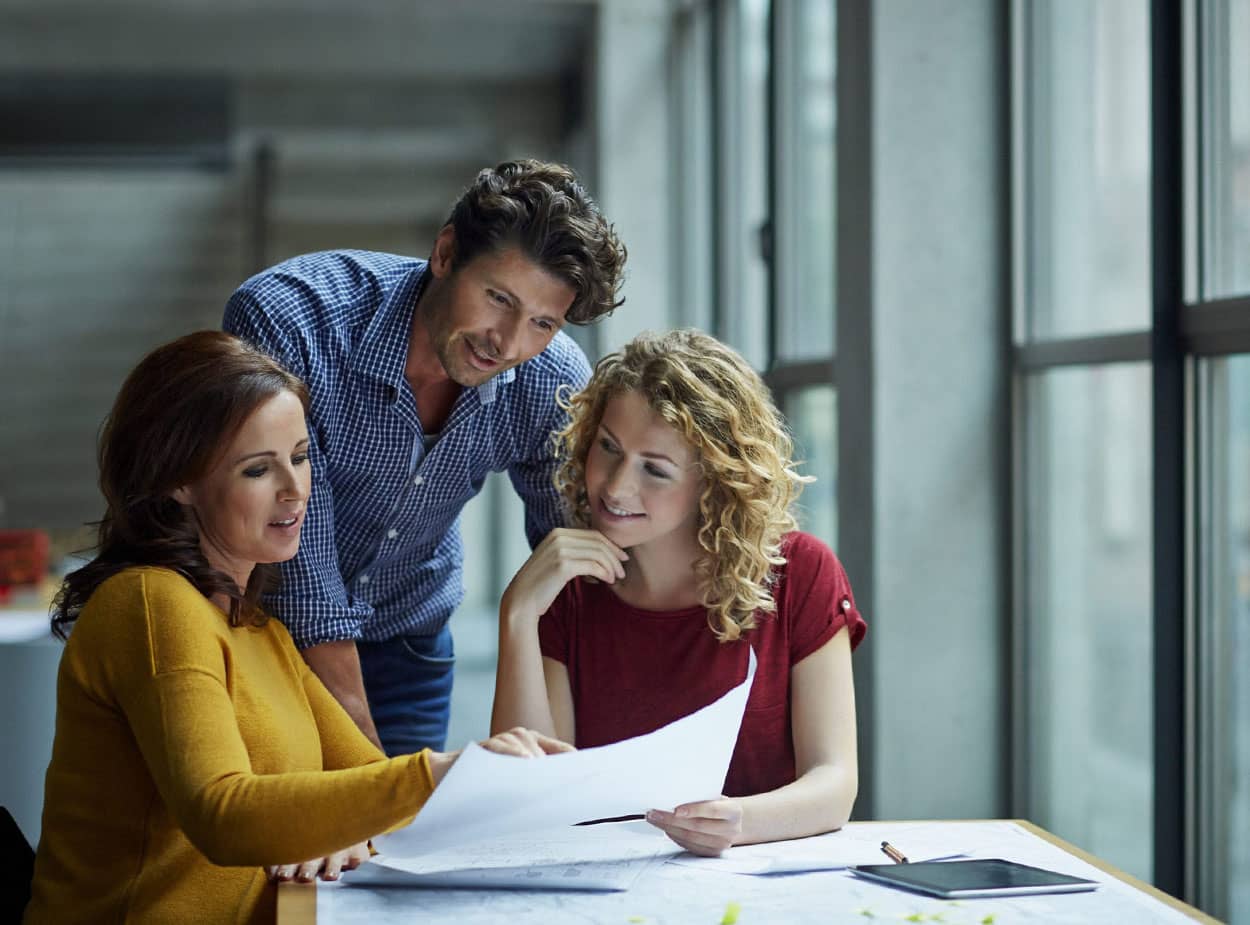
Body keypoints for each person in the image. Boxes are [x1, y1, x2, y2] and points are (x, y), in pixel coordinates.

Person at [24, 332, 569, 925]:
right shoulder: (153, 603)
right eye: (259, 469)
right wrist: (440, 772)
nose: (295, 489)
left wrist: (351, 825)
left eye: (302, 457)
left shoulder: (260, 629)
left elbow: (367, 787)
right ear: (178, 481)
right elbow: (223, 814)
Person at [223, 159, 627, 757]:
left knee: (403, 846)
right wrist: (375, 774)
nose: (509, 342)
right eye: (498, 298)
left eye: (543, 322)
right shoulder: (295, 321)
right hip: (262, 635)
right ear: (444, 254)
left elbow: (576, 554)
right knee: (288, 838)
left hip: (408, 641)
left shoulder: (549, 376)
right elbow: (297, 562)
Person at [491, 329, 866, 857]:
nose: (616, 487)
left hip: (758, 884)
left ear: (713, 482)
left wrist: (740, 821)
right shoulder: (568, 592)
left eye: (655, 469)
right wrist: (519, 613)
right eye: (609, 448)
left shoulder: (800, 572)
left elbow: (834, 783)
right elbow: (525, 800)